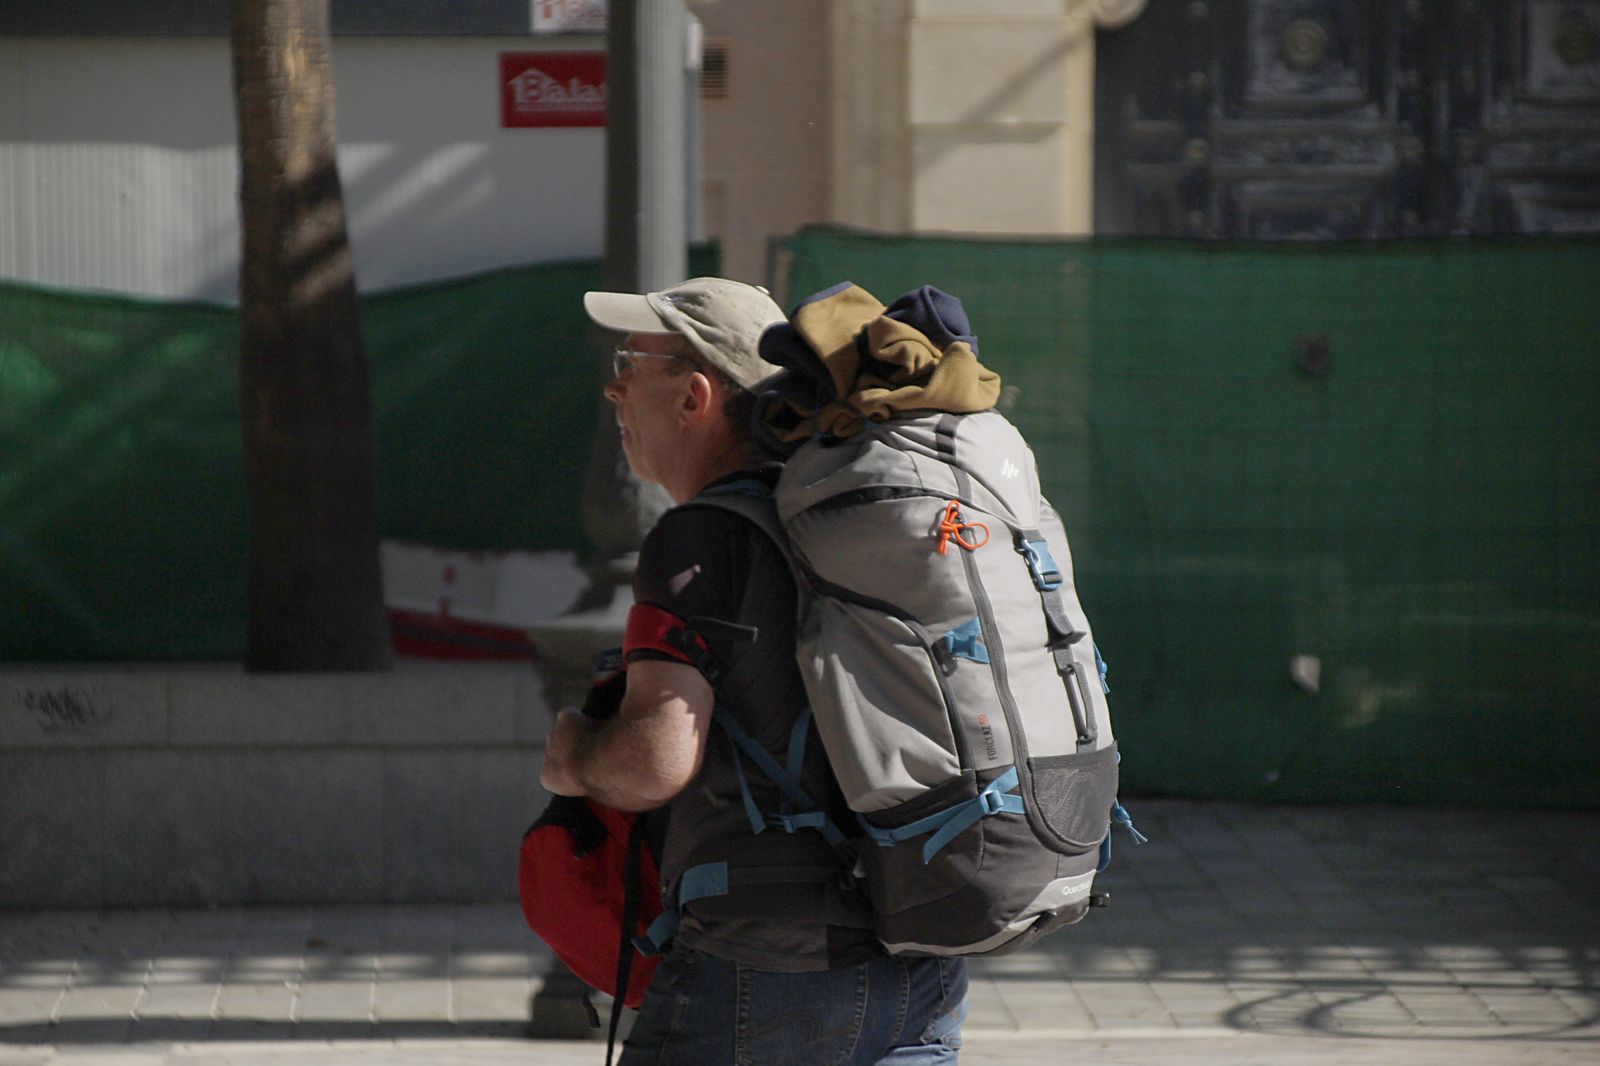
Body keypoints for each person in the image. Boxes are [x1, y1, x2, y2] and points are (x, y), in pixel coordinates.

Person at [540, 277, 970, 1065]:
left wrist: (574, 756)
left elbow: (653, 762)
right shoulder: (847, 518)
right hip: (923, 954)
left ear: (694, 395)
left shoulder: (703, 538)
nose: (614, 384)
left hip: (767, 965)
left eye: (633, 360)